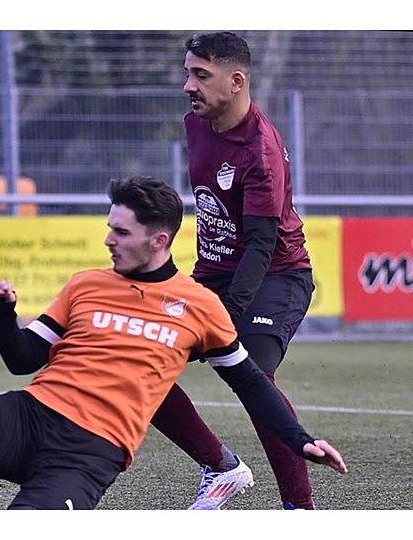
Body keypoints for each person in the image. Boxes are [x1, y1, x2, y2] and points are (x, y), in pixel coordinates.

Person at [0, 176, 345, 510]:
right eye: (109, 228)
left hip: (88, 454)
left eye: (120, 232)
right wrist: (0, 314)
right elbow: (23, 359)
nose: (108, 240)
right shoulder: (85, 284)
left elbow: (252, 385)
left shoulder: (200, 306)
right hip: (30, 414)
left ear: (158, 240)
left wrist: (298, 437)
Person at [149, 31, 321, 510]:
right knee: (139, 363)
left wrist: (225, 313)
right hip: (213, 274)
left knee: (252, 371)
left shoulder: (260, 150)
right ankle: (221, 468)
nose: (188, 85)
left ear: (236, 81)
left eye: (200, 75)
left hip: (276, 275)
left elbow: (263, 243)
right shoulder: (196, 124)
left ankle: (300, 511)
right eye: (187, 73)